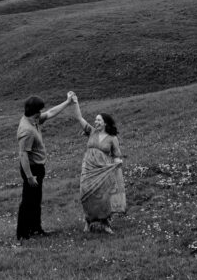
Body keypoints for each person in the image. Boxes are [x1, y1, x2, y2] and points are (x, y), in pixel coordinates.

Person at [16, 92, 75, 240]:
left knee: (35, 201)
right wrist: (29, 176)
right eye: (39, 110)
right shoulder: (27, 130)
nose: (41, 112)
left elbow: (51, 113)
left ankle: (36, 229)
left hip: (37, 168)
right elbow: (23, 154)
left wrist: (67, 102)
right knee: (28, 202)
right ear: (34, 112)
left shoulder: (33, 120)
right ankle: (22, 233)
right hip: (32, 169)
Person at [70, 93, 126, 234]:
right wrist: (75, 102)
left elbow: (117, 155)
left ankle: (105, 223)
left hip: (103, 171)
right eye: (95, 120)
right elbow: (78, 117)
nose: (96, 122)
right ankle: (88, 221)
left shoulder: (112, 138)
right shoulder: (91, 131)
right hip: (88, 169)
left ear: (105, 123)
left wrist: (118, 163)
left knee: (103, 197)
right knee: (86, 194)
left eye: (99, 120)